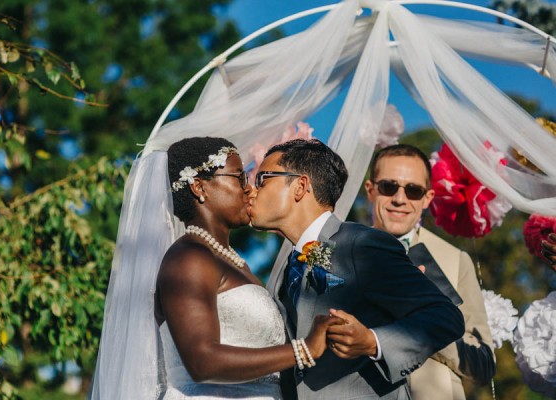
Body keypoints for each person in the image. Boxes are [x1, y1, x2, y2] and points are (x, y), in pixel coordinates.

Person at [249, 138, 465, 400]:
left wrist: (373, 342)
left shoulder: (362, 244)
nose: (252, 190)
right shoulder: (287, 263)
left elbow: (445, 316)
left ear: (300, 186)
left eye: (263, 179)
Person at [155, 137, 342, 399]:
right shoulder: (189, 257)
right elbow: (201, 362)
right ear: (199, 187)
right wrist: (303, 349)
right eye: (239, 178)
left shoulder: (234, 260)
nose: (249, 190)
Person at [364, 144, 495, 399]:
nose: (400, 199)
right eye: (388, 187)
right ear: (370, 190)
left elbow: (484, 365)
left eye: (413, 190)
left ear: (427, 198)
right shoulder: (341, 251)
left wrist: (425, 326)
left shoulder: (456, 260)